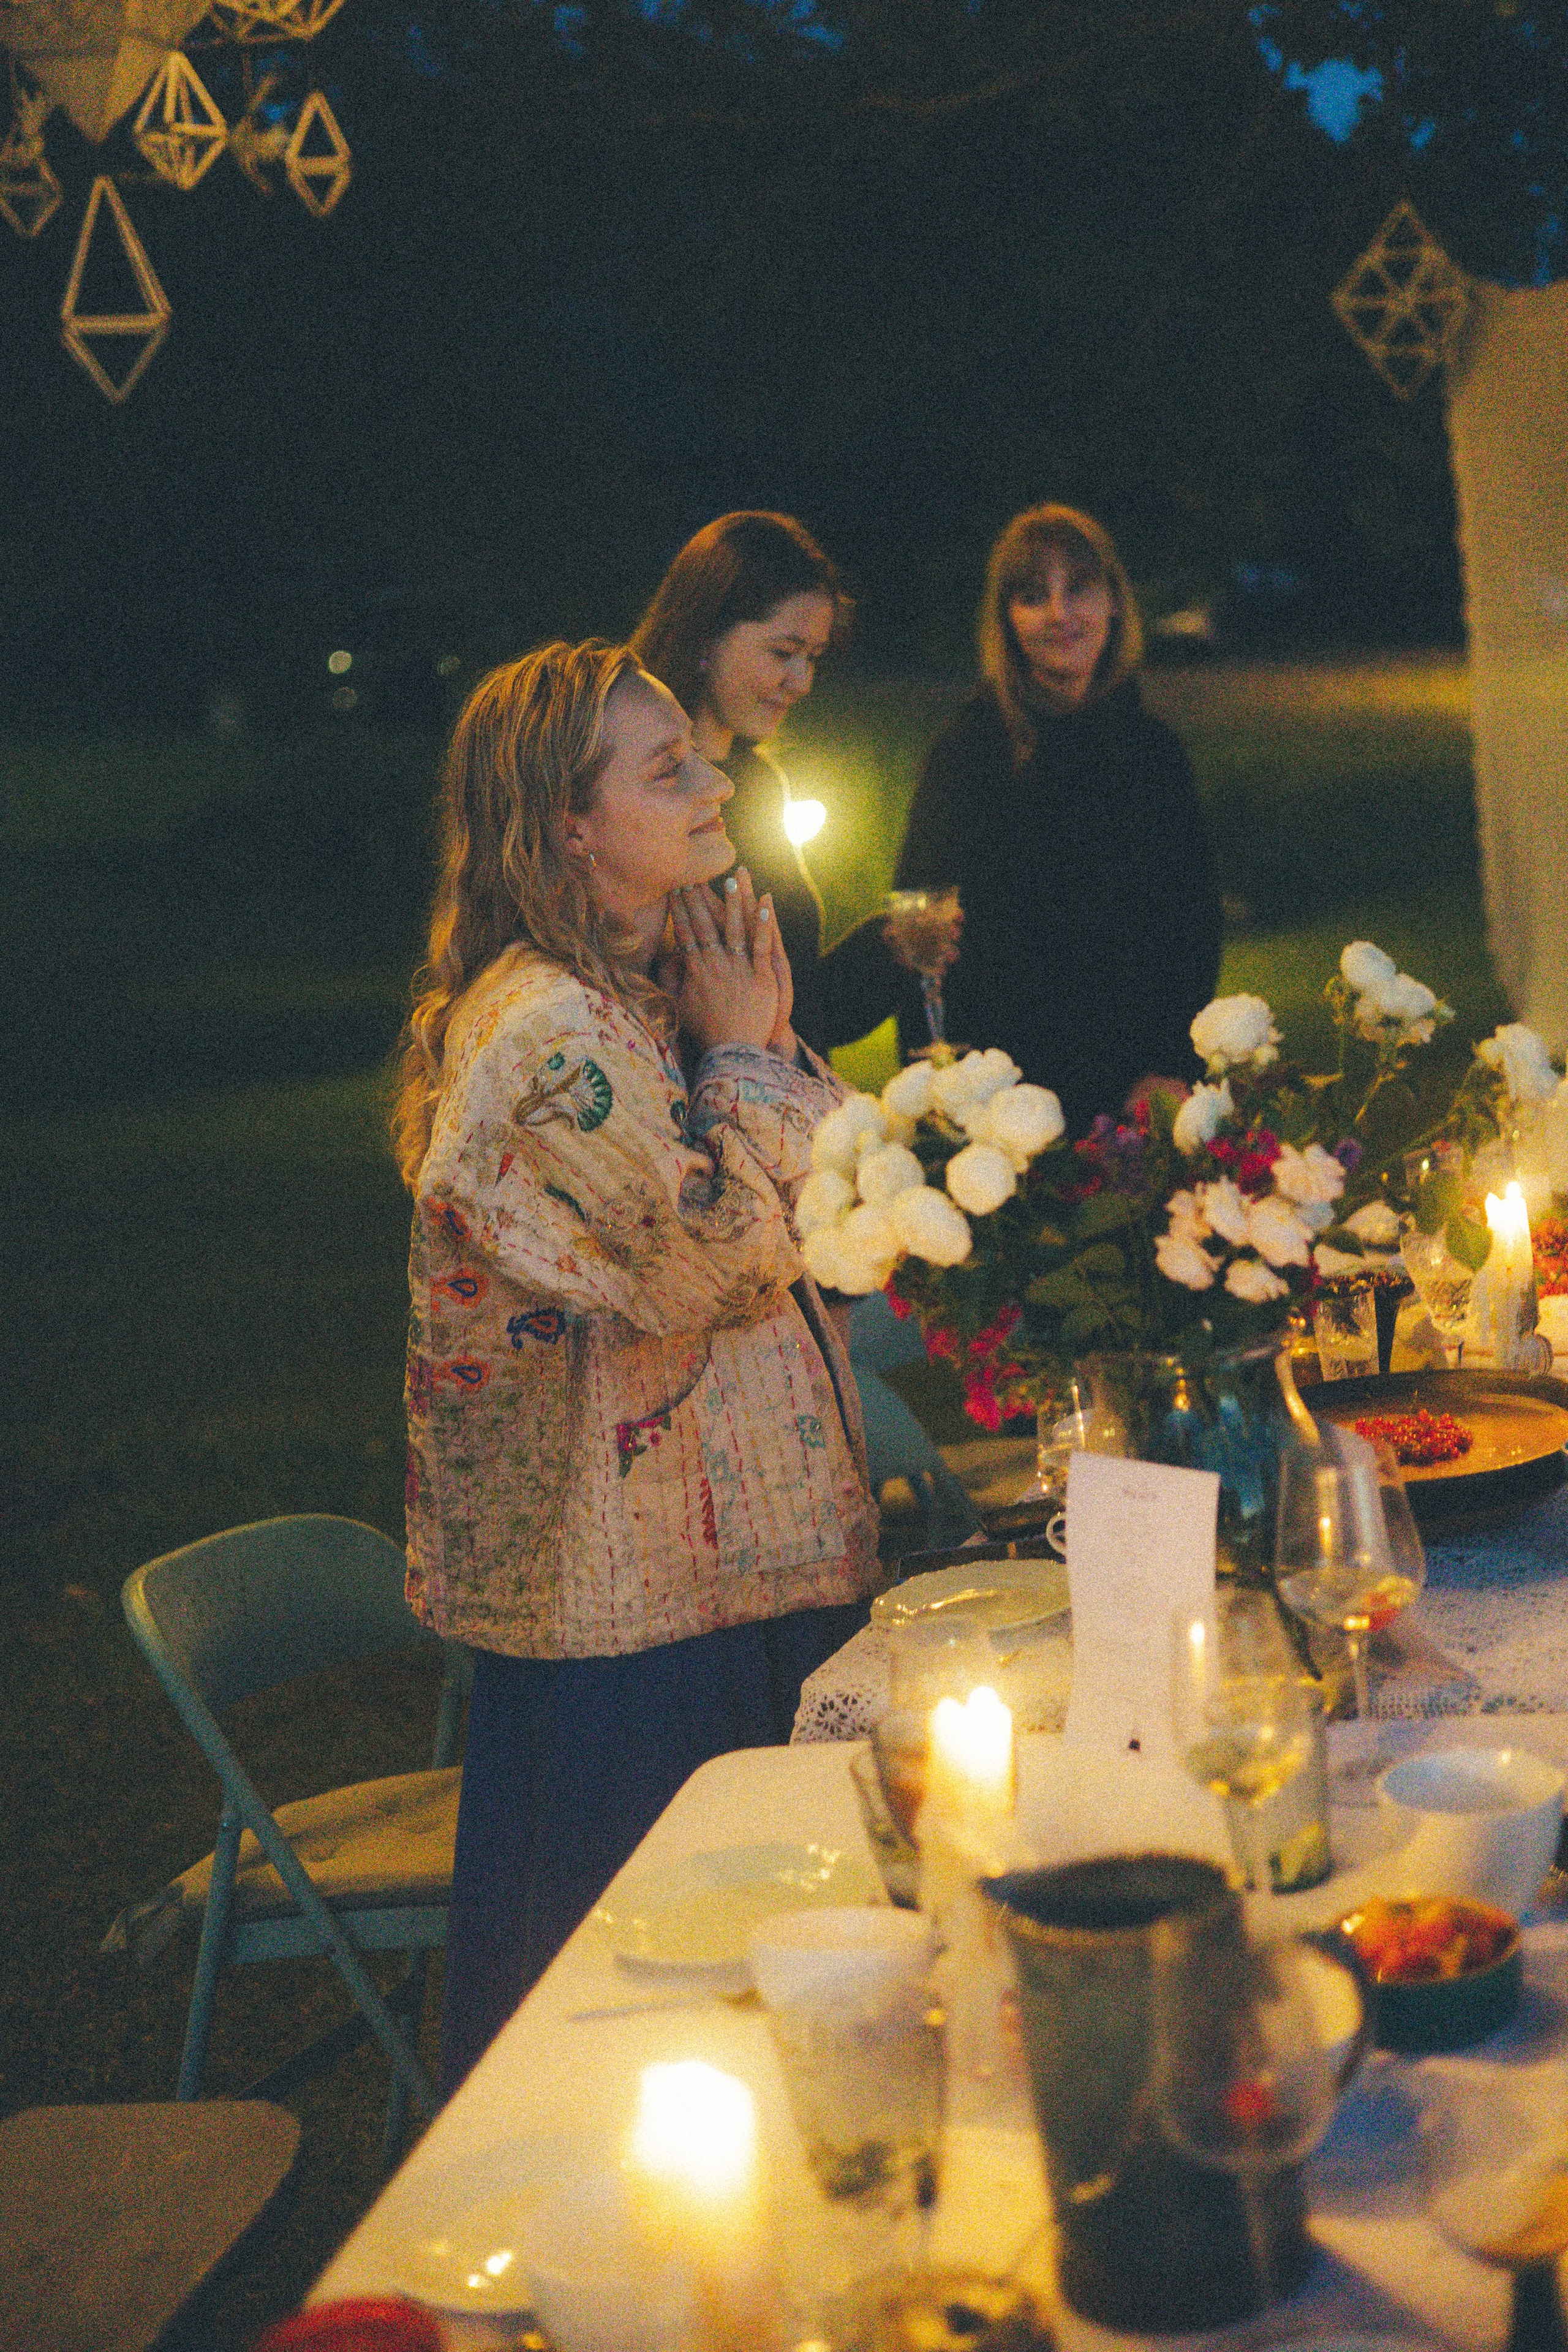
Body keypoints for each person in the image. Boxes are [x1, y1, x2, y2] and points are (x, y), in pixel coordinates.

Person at [393, 639, 881, 2094]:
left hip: (741, 1566)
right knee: (650, 2007)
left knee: (789, 1976)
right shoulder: (544, 1033)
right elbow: (709, 1269)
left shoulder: (656, 986)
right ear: (565, 823)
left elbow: (839, 1190)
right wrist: (748, 1066)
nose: (713, 777)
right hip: (627, 1624)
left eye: (696, 753)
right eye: (666, 769)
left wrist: (758, 1050)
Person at [895, 504, 1221, 1134]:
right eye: (1031, 594)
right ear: (1005, 619)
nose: (1058, 613)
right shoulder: (968, 753)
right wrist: (945, 1098)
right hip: (1003, 1105)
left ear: (1114, 603)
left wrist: (1168, 1066)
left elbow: (1192, 925)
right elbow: (922, 935)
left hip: (1140, 1093)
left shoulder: (1153, 754)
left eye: (1078, 587)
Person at [632, 511, 936, 1060]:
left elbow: (793, 1011)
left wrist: (891, 949)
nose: (800, 683)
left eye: (812, 658)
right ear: (705, 634)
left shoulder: (757, 783)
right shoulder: (641, 789)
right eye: (782, 652)